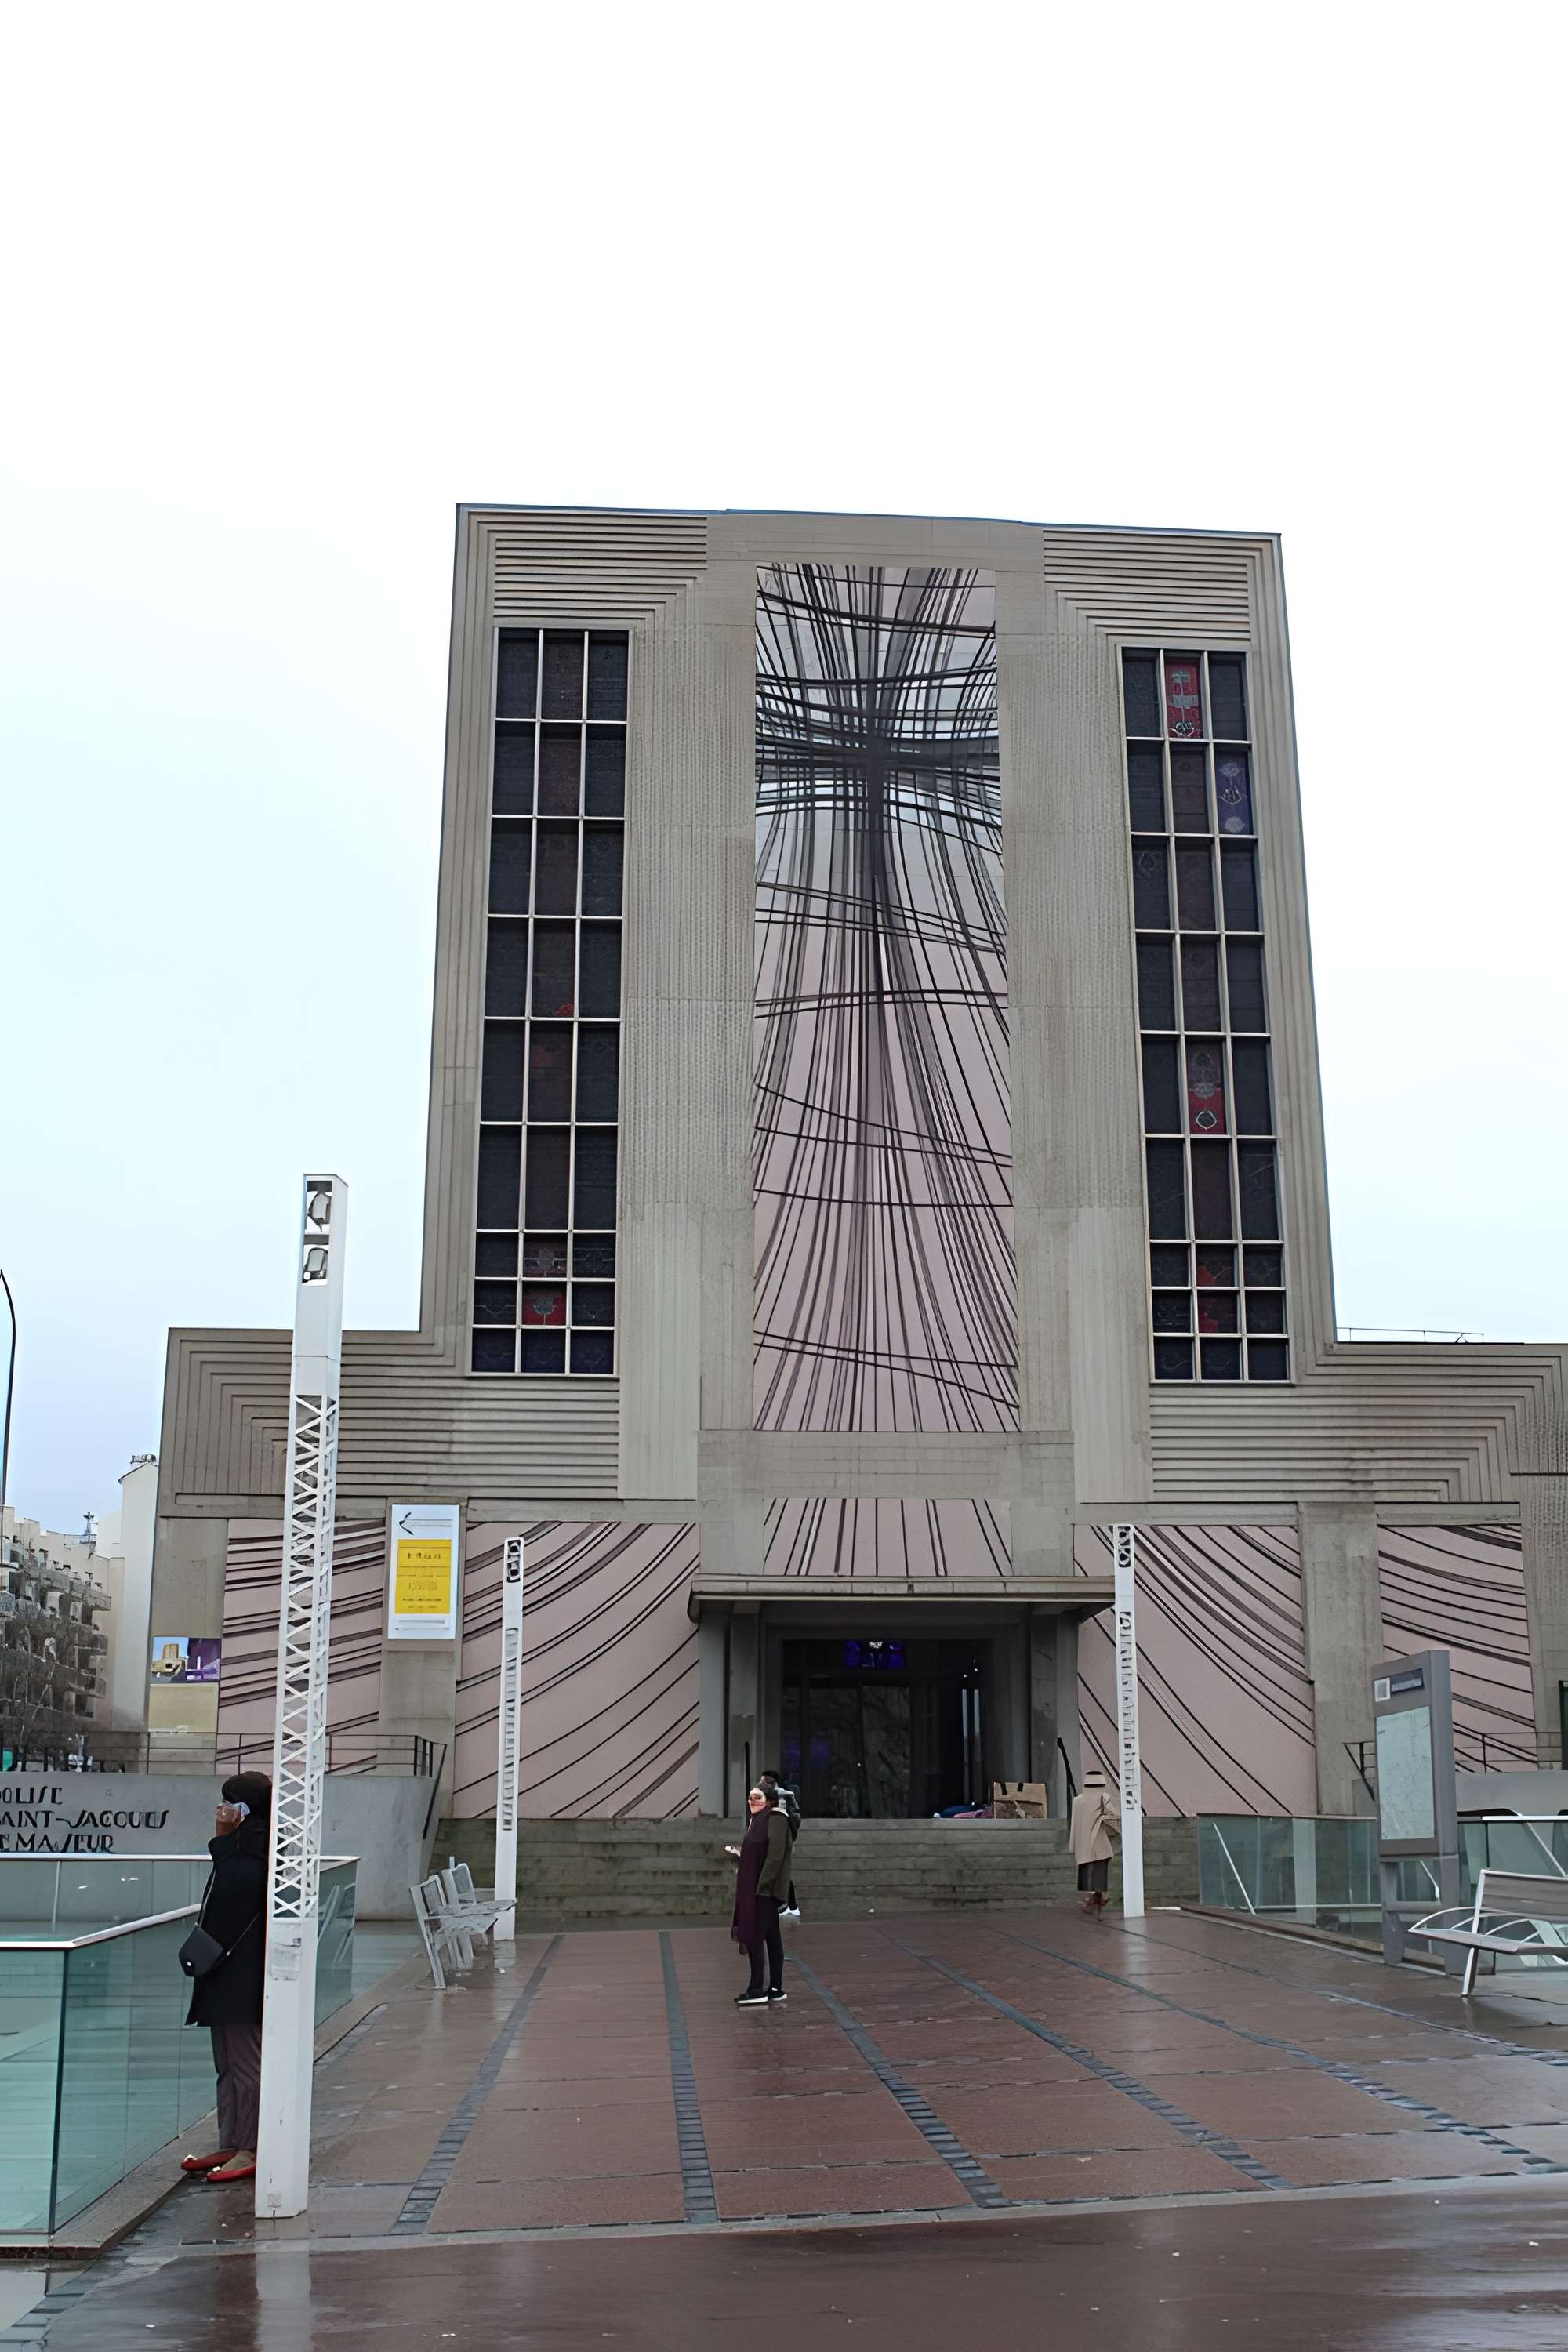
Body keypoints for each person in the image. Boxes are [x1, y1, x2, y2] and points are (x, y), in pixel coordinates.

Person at [179, 1770, 272, 2182]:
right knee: (227, 2064)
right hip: (225, 1969)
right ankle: (230, 2140)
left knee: (246, 2064)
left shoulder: (259, 1844)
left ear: (245, 1807)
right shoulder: (242, 1843)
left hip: (243, 1973)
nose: (223, 1809)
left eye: (229, 1802)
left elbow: (238, 1888)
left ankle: (252, 2145)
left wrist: (221, 1838)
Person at [725, 1784, 793, 2005]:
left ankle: (757, 1989)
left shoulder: (776, 1818)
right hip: (756, 1886)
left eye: (757, 1797)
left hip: (764, 1890)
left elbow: (775, 1856)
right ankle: (775, 1988)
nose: (752, 1801)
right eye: (750, 1798)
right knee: (772, 1936)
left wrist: (764, 1886)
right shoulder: (757, 1820)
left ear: (769, 1800)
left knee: (755, 1935)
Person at [1069, 1765, 1120, 1915]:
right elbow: (1115, 1817)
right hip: (1100, 1842)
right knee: (1100, 1871)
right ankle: (1099, 1897)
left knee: (1085, 1872)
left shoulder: (1077, 1800)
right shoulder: (1105, 1798)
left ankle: (1090, 1899)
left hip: (1083, 1844)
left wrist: (1073, 1845)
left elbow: (1074, 1825)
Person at [759, 1769, 802, 1920]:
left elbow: (794, 1818)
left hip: (781, 1838)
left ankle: (786, 1904)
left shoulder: (784, 1796)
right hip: (770, 1839)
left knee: (781, 1872)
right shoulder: (761, 1795)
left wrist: (789, 1837)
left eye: (766, 1781)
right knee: (781, 1873)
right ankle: (789, 1905)